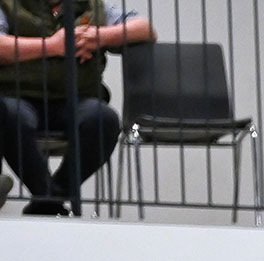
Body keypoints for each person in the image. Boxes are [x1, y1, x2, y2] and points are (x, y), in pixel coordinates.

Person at [0, 3, 152, 215]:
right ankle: (49, 199)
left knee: (104, 119)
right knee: (8, 114)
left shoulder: (93, 6)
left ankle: (50, 199)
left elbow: (145, 29)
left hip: (76, 99)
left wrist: (98, 36)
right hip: (18, 96)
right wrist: (52, 45)